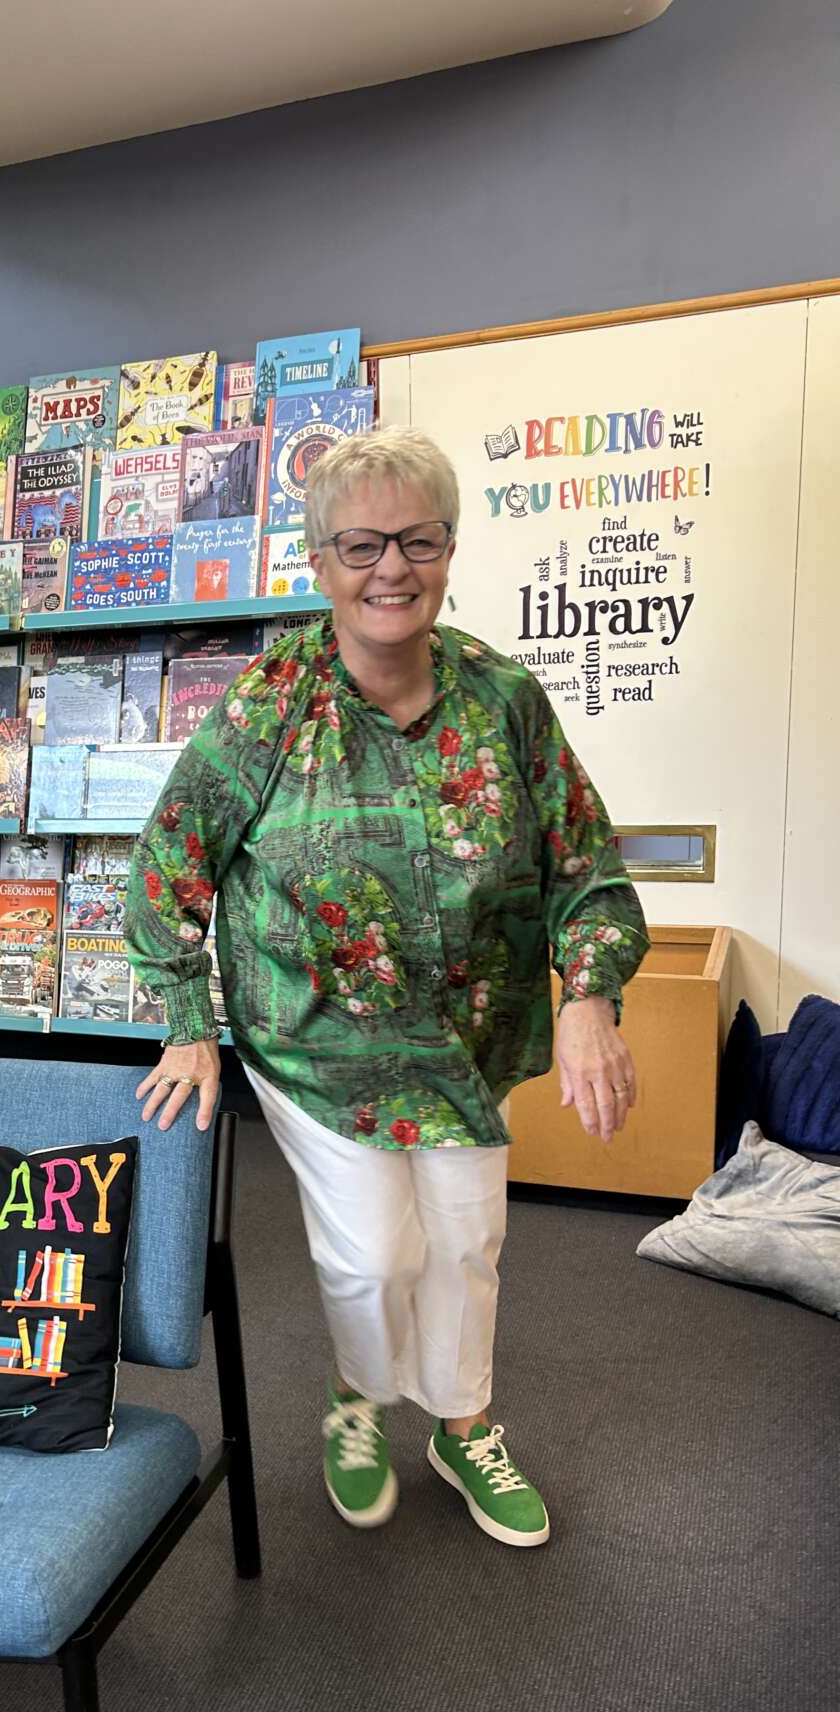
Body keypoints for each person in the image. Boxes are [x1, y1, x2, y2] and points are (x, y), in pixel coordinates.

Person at [125, 426, 649, 1549]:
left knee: (465, 1245)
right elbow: (170, 859)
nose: (391, 569)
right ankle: (359, 1394)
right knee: (375, 1257)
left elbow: (586, 865)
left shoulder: (505, 697)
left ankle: (464, 1425)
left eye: (418, 540)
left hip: (465, 1043)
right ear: (320, 564)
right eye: (361, 545)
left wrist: (590, 994)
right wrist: (186, 1021)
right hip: (316, 1041)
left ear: (450, 550)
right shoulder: (269, 706)